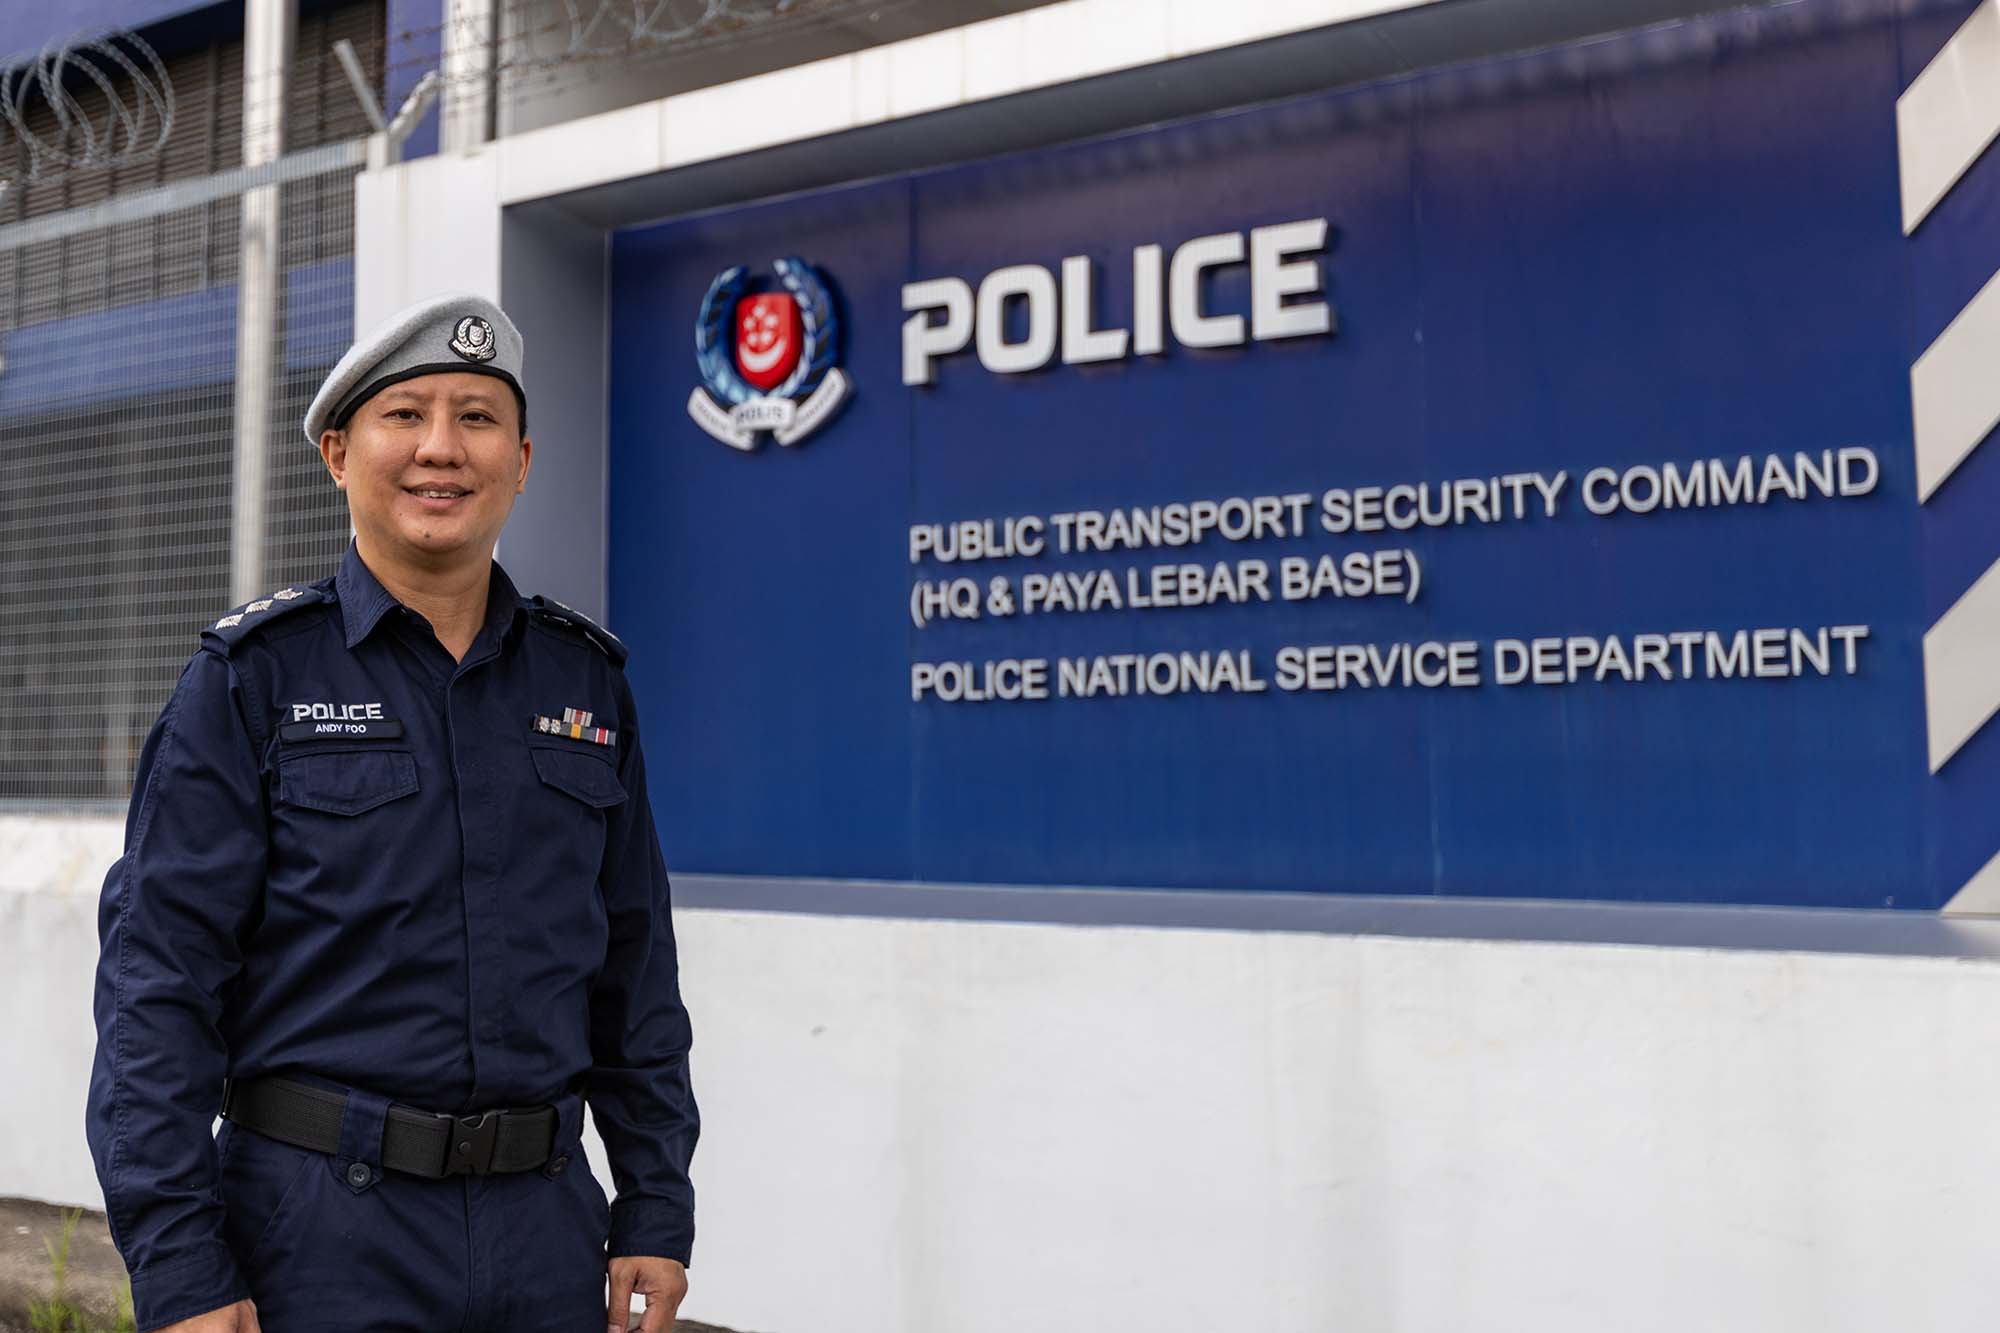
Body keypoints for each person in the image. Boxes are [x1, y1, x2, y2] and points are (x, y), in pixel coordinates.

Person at [83, 293, 698, 1333]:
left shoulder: (583, 681)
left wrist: (653, 1200)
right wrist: (181, 1263)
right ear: (337, 453)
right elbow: (159, 986)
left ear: (523, 457)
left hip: (542, 1229)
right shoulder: (252, 680)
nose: (441, 451)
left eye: (476, 417)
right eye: (405, 415)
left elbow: (633, 967)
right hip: (315, 1234)